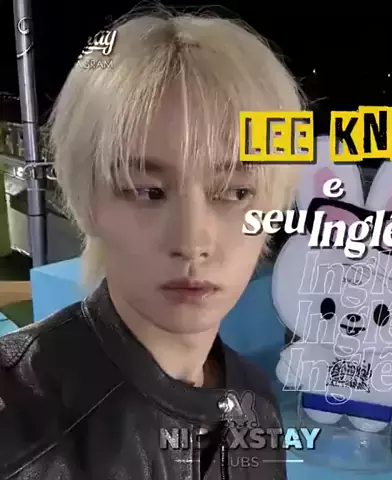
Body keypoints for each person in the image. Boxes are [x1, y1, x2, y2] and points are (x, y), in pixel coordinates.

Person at [0, 5, 304, 480]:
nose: (192, 241)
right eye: (147, 191)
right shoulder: (18, 422)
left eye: (236, 192)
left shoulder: (256, 403)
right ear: (88, 201)